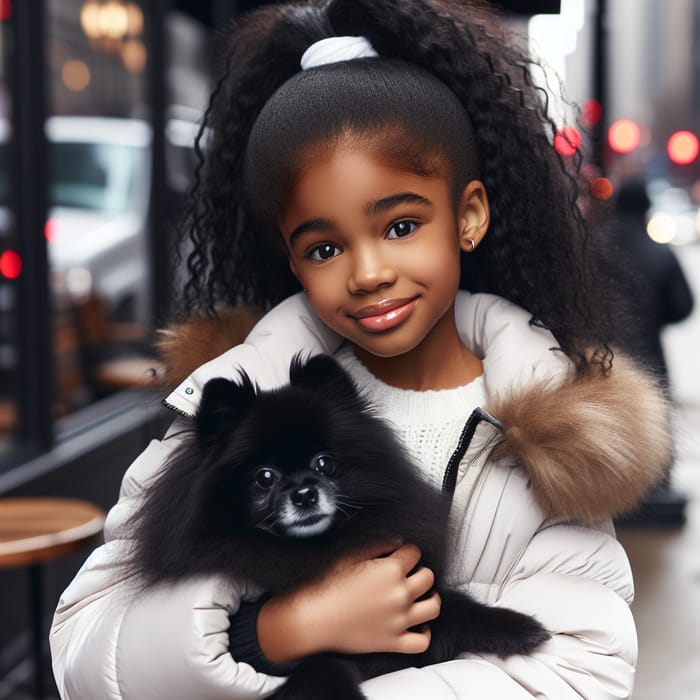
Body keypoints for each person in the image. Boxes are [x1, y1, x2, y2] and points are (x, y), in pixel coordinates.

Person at [50, 1, 672, 698]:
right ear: (291, 259)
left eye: (401, 224)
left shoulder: (554, 440)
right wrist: (282, 630)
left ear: (468, 217)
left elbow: (580, 672)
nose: (368, 271)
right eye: (325, 246)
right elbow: (84, 652)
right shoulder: (228, 406)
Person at [611, 178, 694, 526]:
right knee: (653, 420)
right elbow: (684, 305)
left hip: (604, 356)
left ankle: (612, 492)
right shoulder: (659, 252)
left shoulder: (595, 249)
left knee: (610, 424)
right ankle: (652, 494)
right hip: (648, 355)